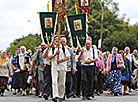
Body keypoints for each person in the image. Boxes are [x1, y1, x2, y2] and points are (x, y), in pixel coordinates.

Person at [49, 36, 70, 102]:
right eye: (55, 39)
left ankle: (61, 95)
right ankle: (55, 95)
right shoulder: (52, 48)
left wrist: (61, 60)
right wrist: (55, 54)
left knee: (62, 82)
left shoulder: (64, 48)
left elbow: (68, 56)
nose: (56, 40)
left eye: (58, 39)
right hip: (54, 66)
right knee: (54, 81)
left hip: (62, 66)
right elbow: (49, 57)